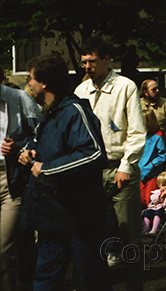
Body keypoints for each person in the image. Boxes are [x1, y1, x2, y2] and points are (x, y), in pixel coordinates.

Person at [21, 54, 110, 290]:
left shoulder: (74, 111)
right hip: (52, 217)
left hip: (81, 218)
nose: (29, 84)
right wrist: (30, 152)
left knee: (90, 279)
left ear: (45, 83)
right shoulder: (49, 114)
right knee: (45, 279)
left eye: (31, 79)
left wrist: (47, 168)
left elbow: (93, 154)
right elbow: (46, 145)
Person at [74, 36, 145, 273]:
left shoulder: (125, 86)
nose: (87, 67)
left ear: (106, 59)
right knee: (93, 234)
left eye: (92, 61)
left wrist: (126, 166)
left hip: (119, 168)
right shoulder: (81, 90)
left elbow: (136, 132)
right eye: (84, 62)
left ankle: (135, 285)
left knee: (129, 233)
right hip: (90, 171)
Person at [1, 75, 42, 290]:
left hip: (10, 180)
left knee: (4, 249)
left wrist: (19, 146)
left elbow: (41, 134)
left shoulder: (19, 98)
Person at [139, 110, 166, 208]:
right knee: (141, 199)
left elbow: (162, 155)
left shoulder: (157, 137)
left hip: (153, 173)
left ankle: (153, 221)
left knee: (150, 199)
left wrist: (152, 164)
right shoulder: (139, 136)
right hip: (140, 172)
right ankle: (144, 221)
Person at [141, 171, 166, 236]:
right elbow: (153, 199)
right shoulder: (158, 192)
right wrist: (161, 196)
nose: (165, 187)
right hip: (156, 208)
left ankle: (154, 230)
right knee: (147, 213)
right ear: (159, 186)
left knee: (158, 213)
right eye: (163, 185)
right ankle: (145, 230)